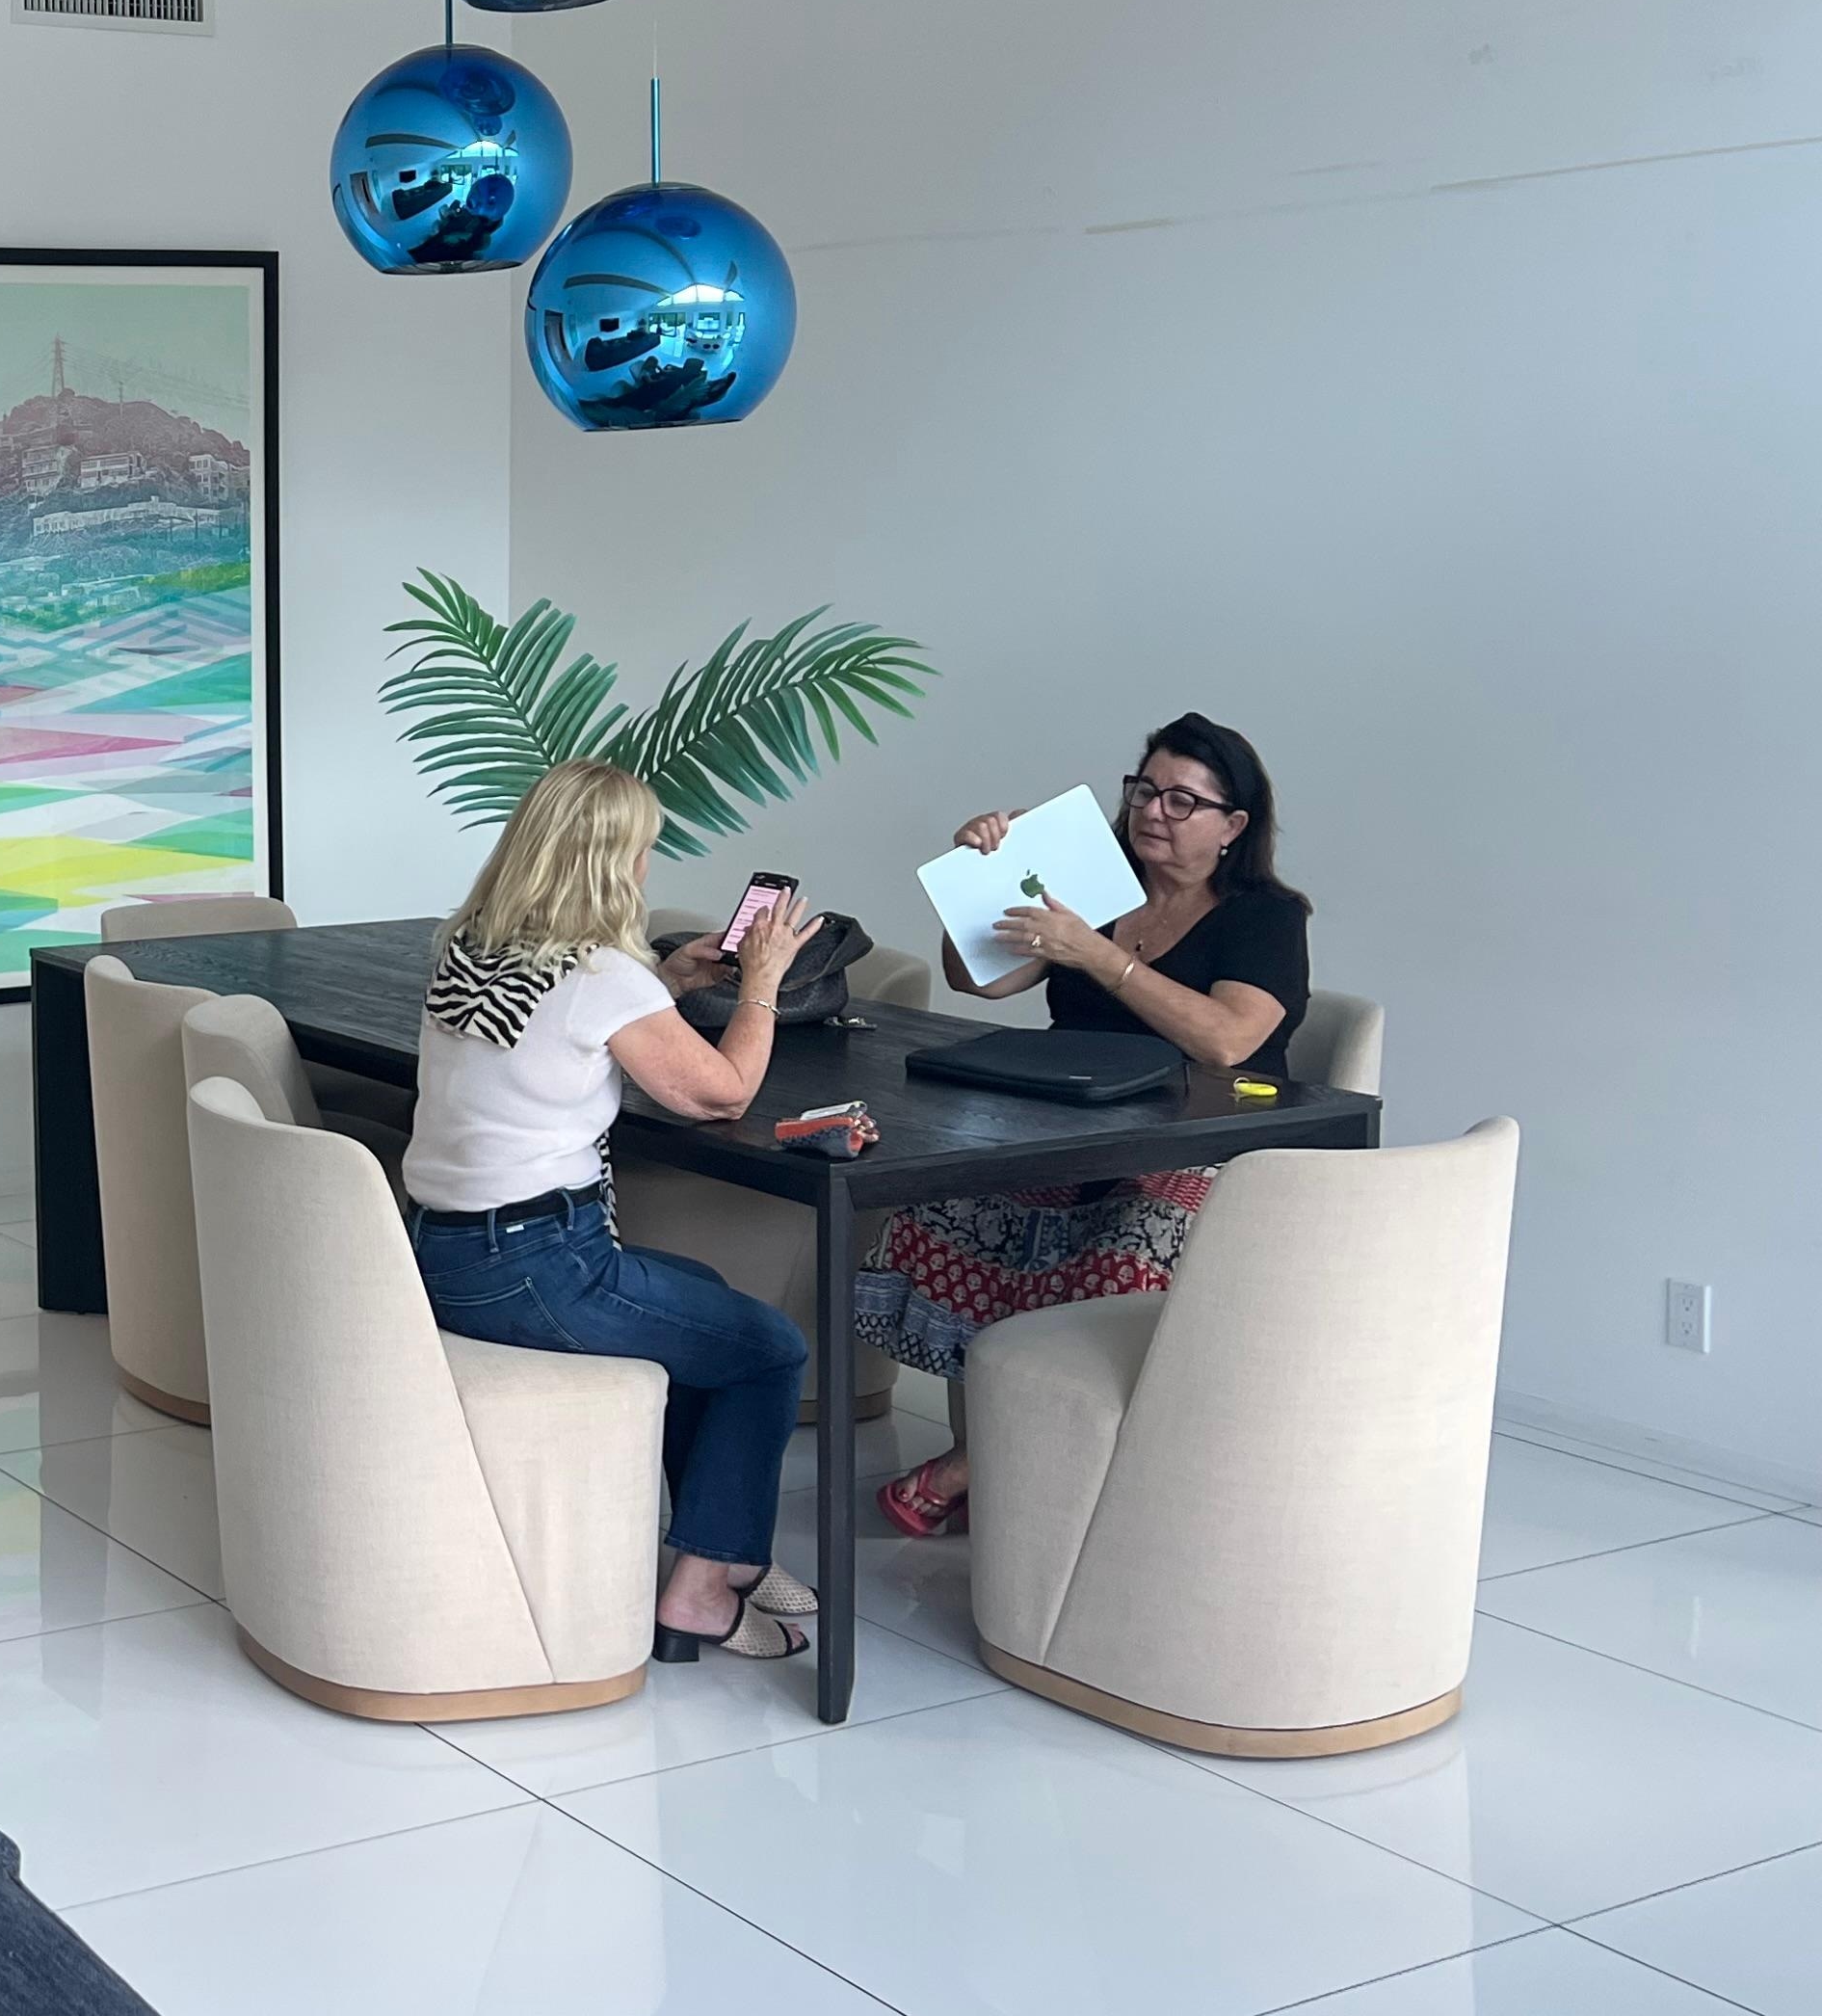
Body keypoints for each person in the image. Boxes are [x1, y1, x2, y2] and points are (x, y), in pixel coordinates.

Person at [400, 758, 822, 1665]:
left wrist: (663, 977)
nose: (646, 869)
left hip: (442, 1254)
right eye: (642, 852)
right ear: (612, 863)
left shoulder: (468, 944)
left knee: (700, 1293)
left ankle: (724, 1546)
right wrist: (761, 983)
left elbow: (553, 1033)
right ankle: (706, 1588)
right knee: (771, 1351)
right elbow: (721, 1094)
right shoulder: (599, 976)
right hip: (539, 1267)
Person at [864, 711, 1314, 1535]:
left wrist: (1099, 956)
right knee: (943, 1204)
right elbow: (980, 982)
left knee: (1133, 1240)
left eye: (1183, 801)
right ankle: (1018, 1445)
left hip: (1209, 1149)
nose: (1153, 812)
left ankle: (984, 1462)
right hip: (1071, 1130)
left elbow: (1227, 1039)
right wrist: (982, 879)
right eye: (1145, 790)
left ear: (1232, 826)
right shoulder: (1094, 884)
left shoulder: (1265, 918)